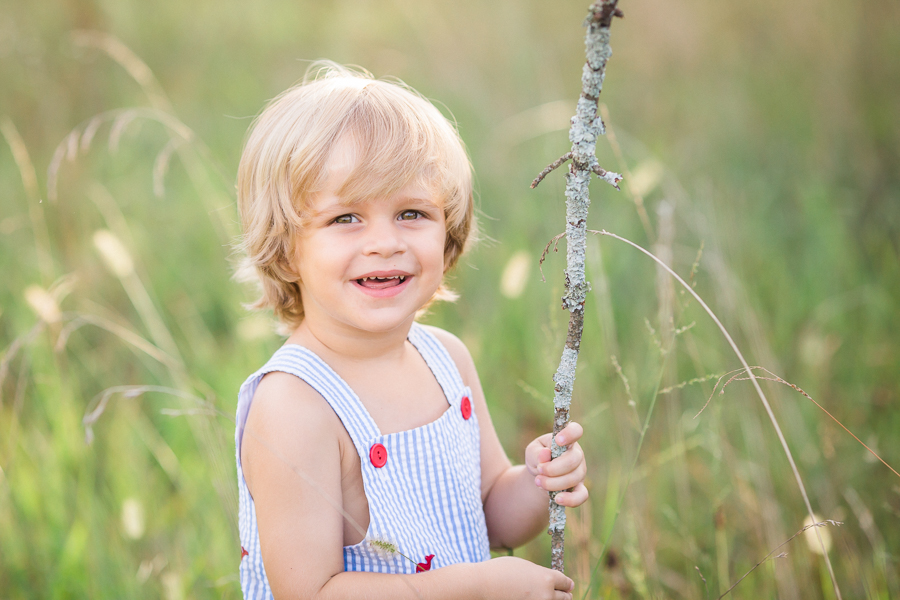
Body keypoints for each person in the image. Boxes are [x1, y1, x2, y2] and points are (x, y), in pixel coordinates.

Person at [234, 63, 589, 600]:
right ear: (286, 250)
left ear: (448, 234)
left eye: (412, 213)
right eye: (345, 218)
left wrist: (539, 484)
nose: (384, 241)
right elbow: (310, 592)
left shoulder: (446, 360)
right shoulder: (294, 405)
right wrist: (477, 587)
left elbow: (492, 512)